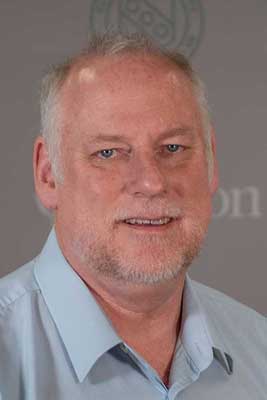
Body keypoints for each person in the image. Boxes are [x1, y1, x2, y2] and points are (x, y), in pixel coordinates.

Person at [0, 33, 266, 400]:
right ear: (48, 174)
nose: (151, 181)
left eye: (173, 148)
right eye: (109, 153)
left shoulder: (259, 348)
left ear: (211, 162)